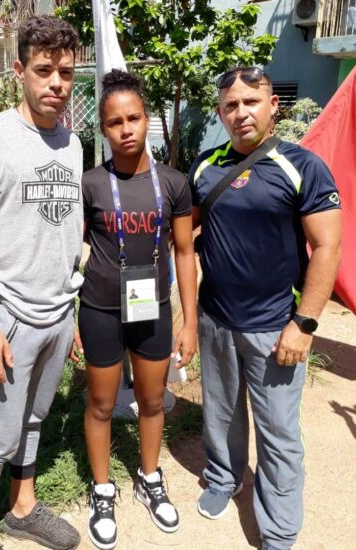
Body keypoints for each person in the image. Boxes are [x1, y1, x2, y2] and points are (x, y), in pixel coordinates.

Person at [190, 67, 341, 550]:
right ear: (220, 112)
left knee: (277, 431)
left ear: (273, 105)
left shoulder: (303, 166)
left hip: (275, 327)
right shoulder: (204, 167)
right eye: (231, 105)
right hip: (215, 319)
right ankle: (223, 477)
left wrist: (304, 324)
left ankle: (277, 530)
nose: (241, 113)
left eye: (250, 103)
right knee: (220, 414)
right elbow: (184, 237)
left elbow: (328, 248)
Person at [0, 16, 84, 550]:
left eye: (66, 72)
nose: (56, 83)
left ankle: (21, 507)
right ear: (20, 70)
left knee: (34, 419)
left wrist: (70, 310)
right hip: (8, 313)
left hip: (57, 310)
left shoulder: (72, 143)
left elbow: (66, 230)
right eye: (44, 70)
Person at [79, 69, 197, 550]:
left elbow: (185, 253)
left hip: (152, 310)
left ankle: (150, 477)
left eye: (133, 118)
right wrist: (72, 323)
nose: (125, 129)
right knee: (102, 404)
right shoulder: (89, 184)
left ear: (148, 119)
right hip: (101, 309)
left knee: (151, 401)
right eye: (114, 122)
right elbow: (72, 255)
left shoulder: (172, 183)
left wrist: (188, 322)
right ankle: (103, 488)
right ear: (103, 129)